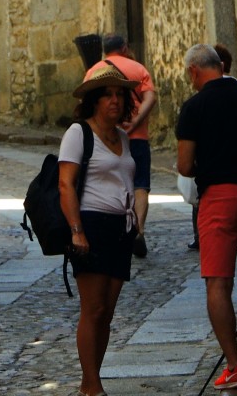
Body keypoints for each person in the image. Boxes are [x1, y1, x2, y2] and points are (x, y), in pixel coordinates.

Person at [176, 44, 237, 390]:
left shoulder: (193, 107)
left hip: (219, 196)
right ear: (221, 66)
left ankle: (234, 367)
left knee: (218, 283)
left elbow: (185, 166)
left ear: (194, 71)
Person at [58, 61, 139, 396]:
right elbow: (66, 185)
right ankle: (92, 385)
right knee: (92, 309)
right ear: (93, 101)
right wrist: (76, 230)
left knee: (107, 311)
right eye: (106, 95)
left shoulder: (122, 136)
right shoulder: (78, 133)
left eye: (120, 95)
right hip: (91, 225)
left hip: (121, 229)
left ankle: (90, 380)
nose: (114, 101)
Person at [100, 34, 156, 257]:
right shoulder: (138, 68)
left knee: (111, 183)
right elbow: (150, 98)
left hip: (107, 138)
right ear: (124, 48)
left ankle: (114, 234)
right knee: (140, 184)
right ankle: (139, 230)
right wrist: (135, 121)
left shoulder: (95, 71)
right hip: (138, 137)